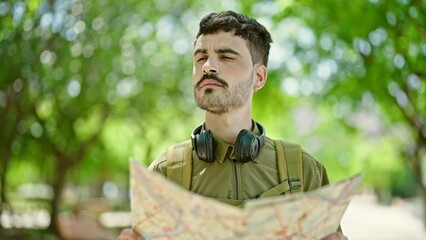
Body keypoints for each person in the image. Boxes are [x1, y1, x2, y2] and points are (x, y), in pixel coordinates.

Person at [119, 10, 347, 240]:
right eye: (200, 57)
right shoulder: (164, 174)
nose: (208, 66)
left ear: (259, 77)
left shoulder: (305, 172)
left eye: (226, 57)